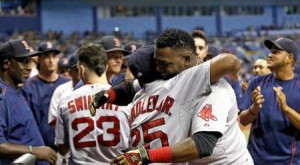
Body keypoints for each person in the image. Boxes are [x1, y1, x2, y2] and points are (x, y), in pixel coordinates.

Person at [109, 28, 252, 164]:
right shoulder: (174, 78)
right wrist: (107, 94)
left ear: (186, 60)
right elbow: (130, 88)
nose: (158, 69)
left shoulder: (216, 91)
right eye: (157, 63)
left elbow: (202, 144)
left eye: (164, 64)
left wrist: (147, 155)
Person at [55, 43, 131, 164]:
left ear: (82, 69)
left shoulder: (66, 99)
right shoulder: (125, 100)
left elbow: (62, 147)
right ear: (106, 67)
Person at [239, 37, 300, 164]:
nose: (270, 55)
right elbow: (243, 120)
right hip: (257, 160)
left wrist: (286, 109)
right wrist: (254, 109)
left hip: (289, 161)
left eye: (276, 52)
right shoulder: (257, 82)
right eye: (270, 51)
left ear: (290, 58)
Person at [0, 39, 57, 164]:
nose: (29, 67)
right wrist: (34, 150)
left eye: (30, 61)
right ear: (6, 64)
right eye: (23, 61)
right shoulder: (2, 97)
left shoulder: (15, 91)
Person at [20, 42, 69, 149]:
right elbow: (27, 122)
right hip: (40, 146)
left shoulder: (67, 84)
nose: (51, 60)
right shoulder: (29, 86)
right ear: (39, 59)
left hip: (66, 146)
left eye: (54, 56)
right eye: (46, 56)